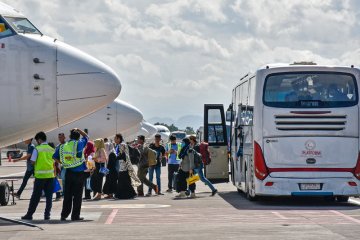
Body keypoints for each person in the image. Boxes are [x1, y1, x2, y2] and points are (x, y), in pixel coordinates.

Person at [53, 128, 89, 221]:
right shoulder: (80, 143)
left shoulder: (62, 146)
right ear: (78, 137)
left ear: (69, 137)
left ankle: (64, 215)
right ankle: (75, 216)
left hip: (68, 172)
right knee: (77, 196)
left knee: (67, 195)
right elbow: (86, 136)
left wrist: (63, 163)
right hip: (79, 174)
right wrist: (79, 130)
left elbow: (54, 157)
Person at [21, 132, 55, 220]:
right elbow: (54, 161)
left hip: (40, 177)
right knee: (49, 197)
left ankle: (29, 214)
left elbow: (32, 161)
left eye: (37, 140)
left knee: (35, 197)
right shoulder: (51, 149)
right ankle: (47, 215)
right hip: (50, 176)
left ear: (39, 139)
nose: (37, 142)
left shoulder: (37, 149)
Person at [114, 134, 140, 199]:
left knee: (122, 181)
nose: (114, 140)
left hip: (123, 166)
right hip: (126, 165)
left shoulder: (121, 145)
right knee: (126, 181)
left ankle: (119, 195)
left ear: (119, 139)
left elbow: (122, 155)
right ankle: (131, 194)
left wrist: (115, 157)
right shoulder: (124, 144)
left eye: (115, 138)